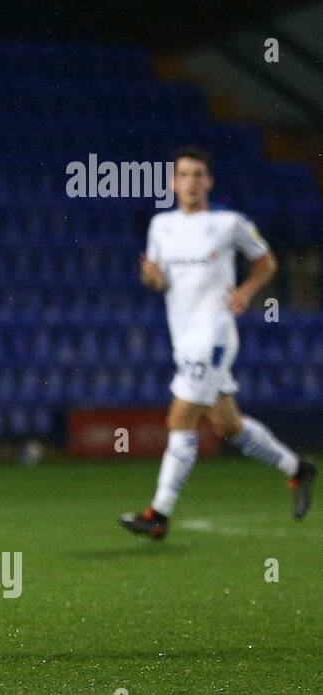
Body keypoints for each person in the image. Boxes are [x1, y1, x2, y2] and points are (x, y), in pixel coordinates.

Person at [120, 147, 315, 539]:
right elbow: (159, 282)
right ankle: (298, 469)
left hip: (214, 336)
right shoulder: (161, 226)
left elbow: (267, 261)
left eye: (199, 174)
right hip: (183, 338)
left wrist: (246, 291)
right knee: (228, 425)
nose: (191, 182)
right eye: (185, 175)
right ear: (173, 183)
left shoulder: (229, 223)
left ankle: (159, 514)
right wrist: (151, 278)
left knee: (179, 419)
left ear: (209, 181)